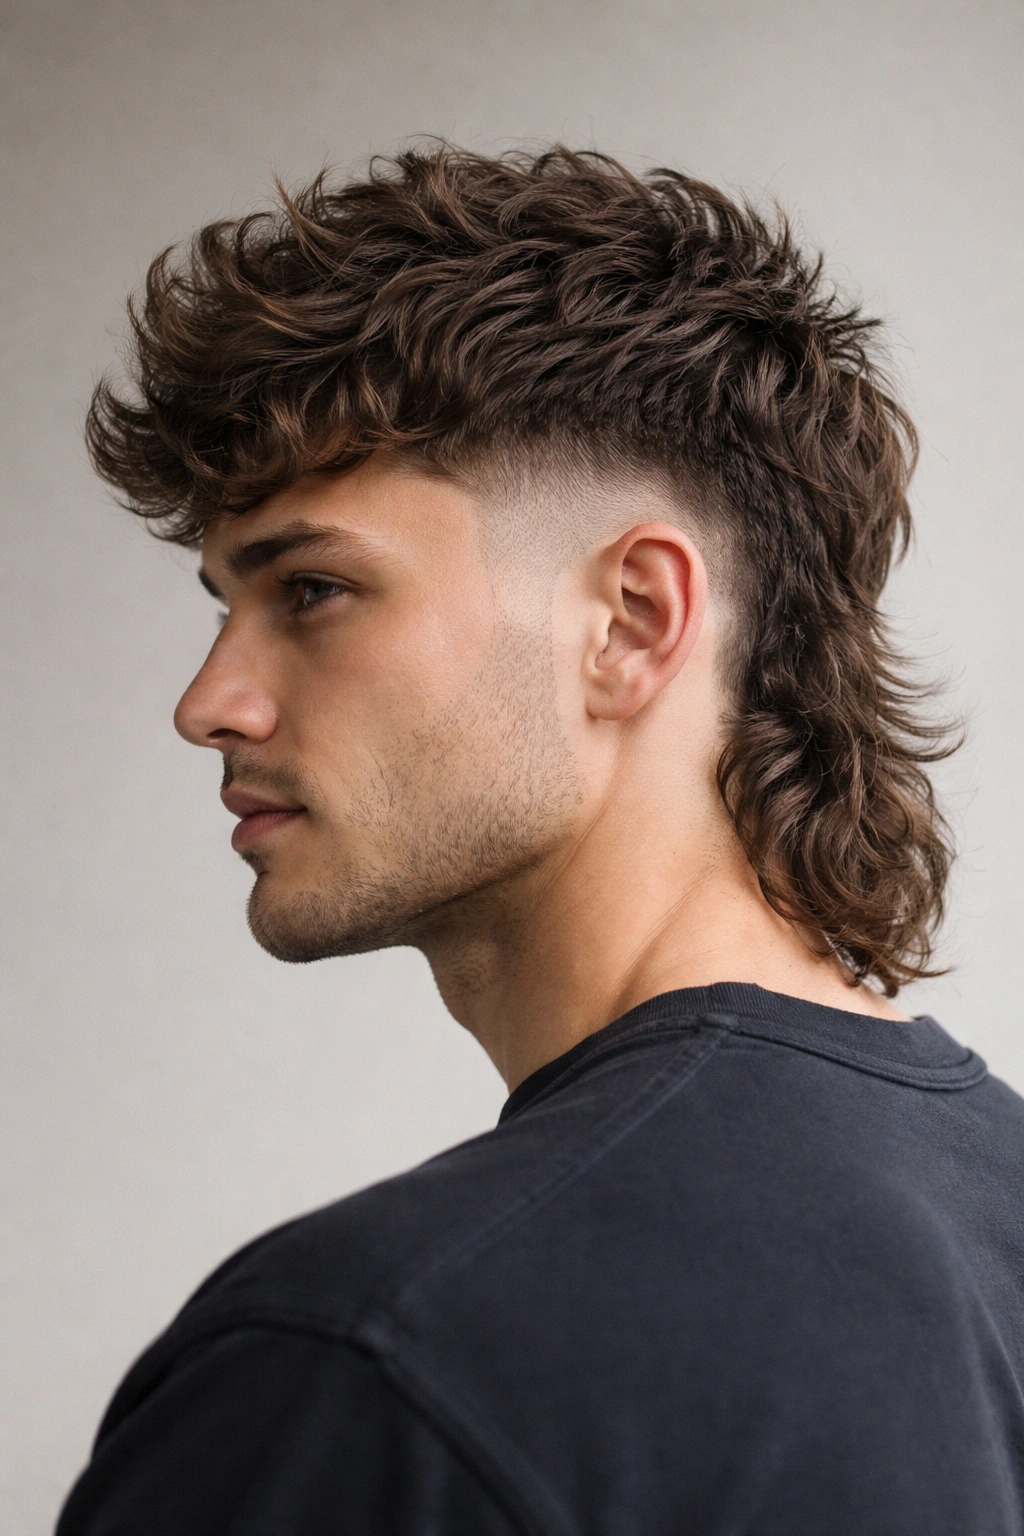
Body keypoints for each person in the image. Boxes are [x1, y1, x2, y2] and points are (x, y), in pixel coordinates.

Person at [57, 145, 1024, 1535]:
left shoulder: (374, 1366)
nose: (210, 703)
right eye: (221, 605)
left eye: (313, 589)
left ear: (630, 623)